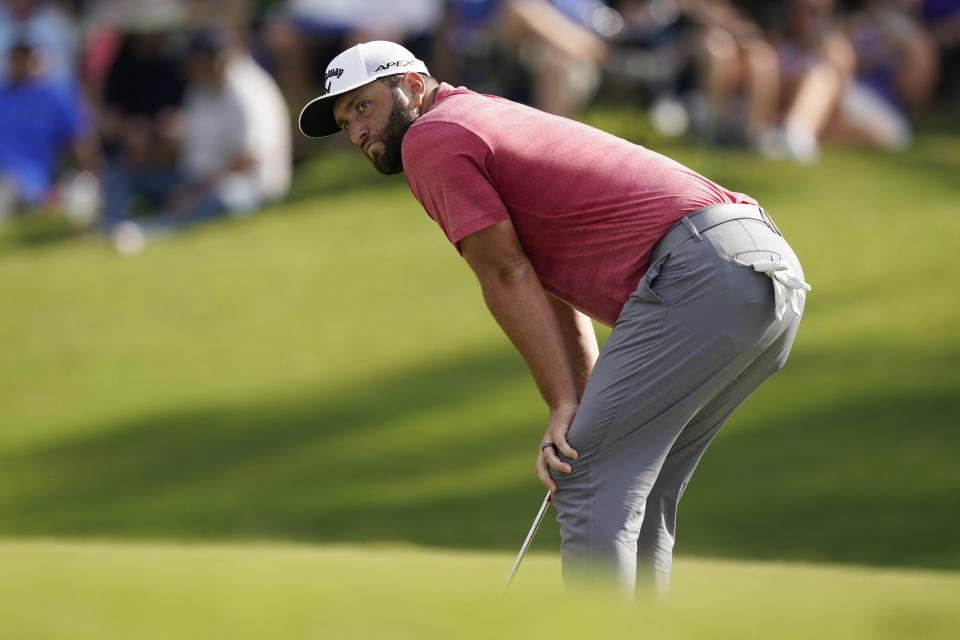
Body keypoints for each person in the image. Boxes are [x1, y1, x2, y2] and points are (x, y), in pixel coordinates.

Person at [299, 41, 810, 595]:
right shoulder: (480, 115)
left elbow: (506, 274)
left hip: (703, 272)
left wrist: (564, 406)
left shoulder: (432, 136)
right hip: (760, 272)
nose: (355, 131)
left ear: (414, 88)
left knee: (585, 472)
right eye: (344, 119)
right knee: (638, 482)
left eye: (363, 106)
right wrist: (581, 402)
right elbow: (546, 280)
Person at [0, 40, 99, 224]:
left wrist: (89, 179)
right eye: (15, 59)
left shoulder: (54, 95)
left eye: (24, 58)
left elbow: (79, 138)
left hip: (34, 184)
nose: (19, 64)